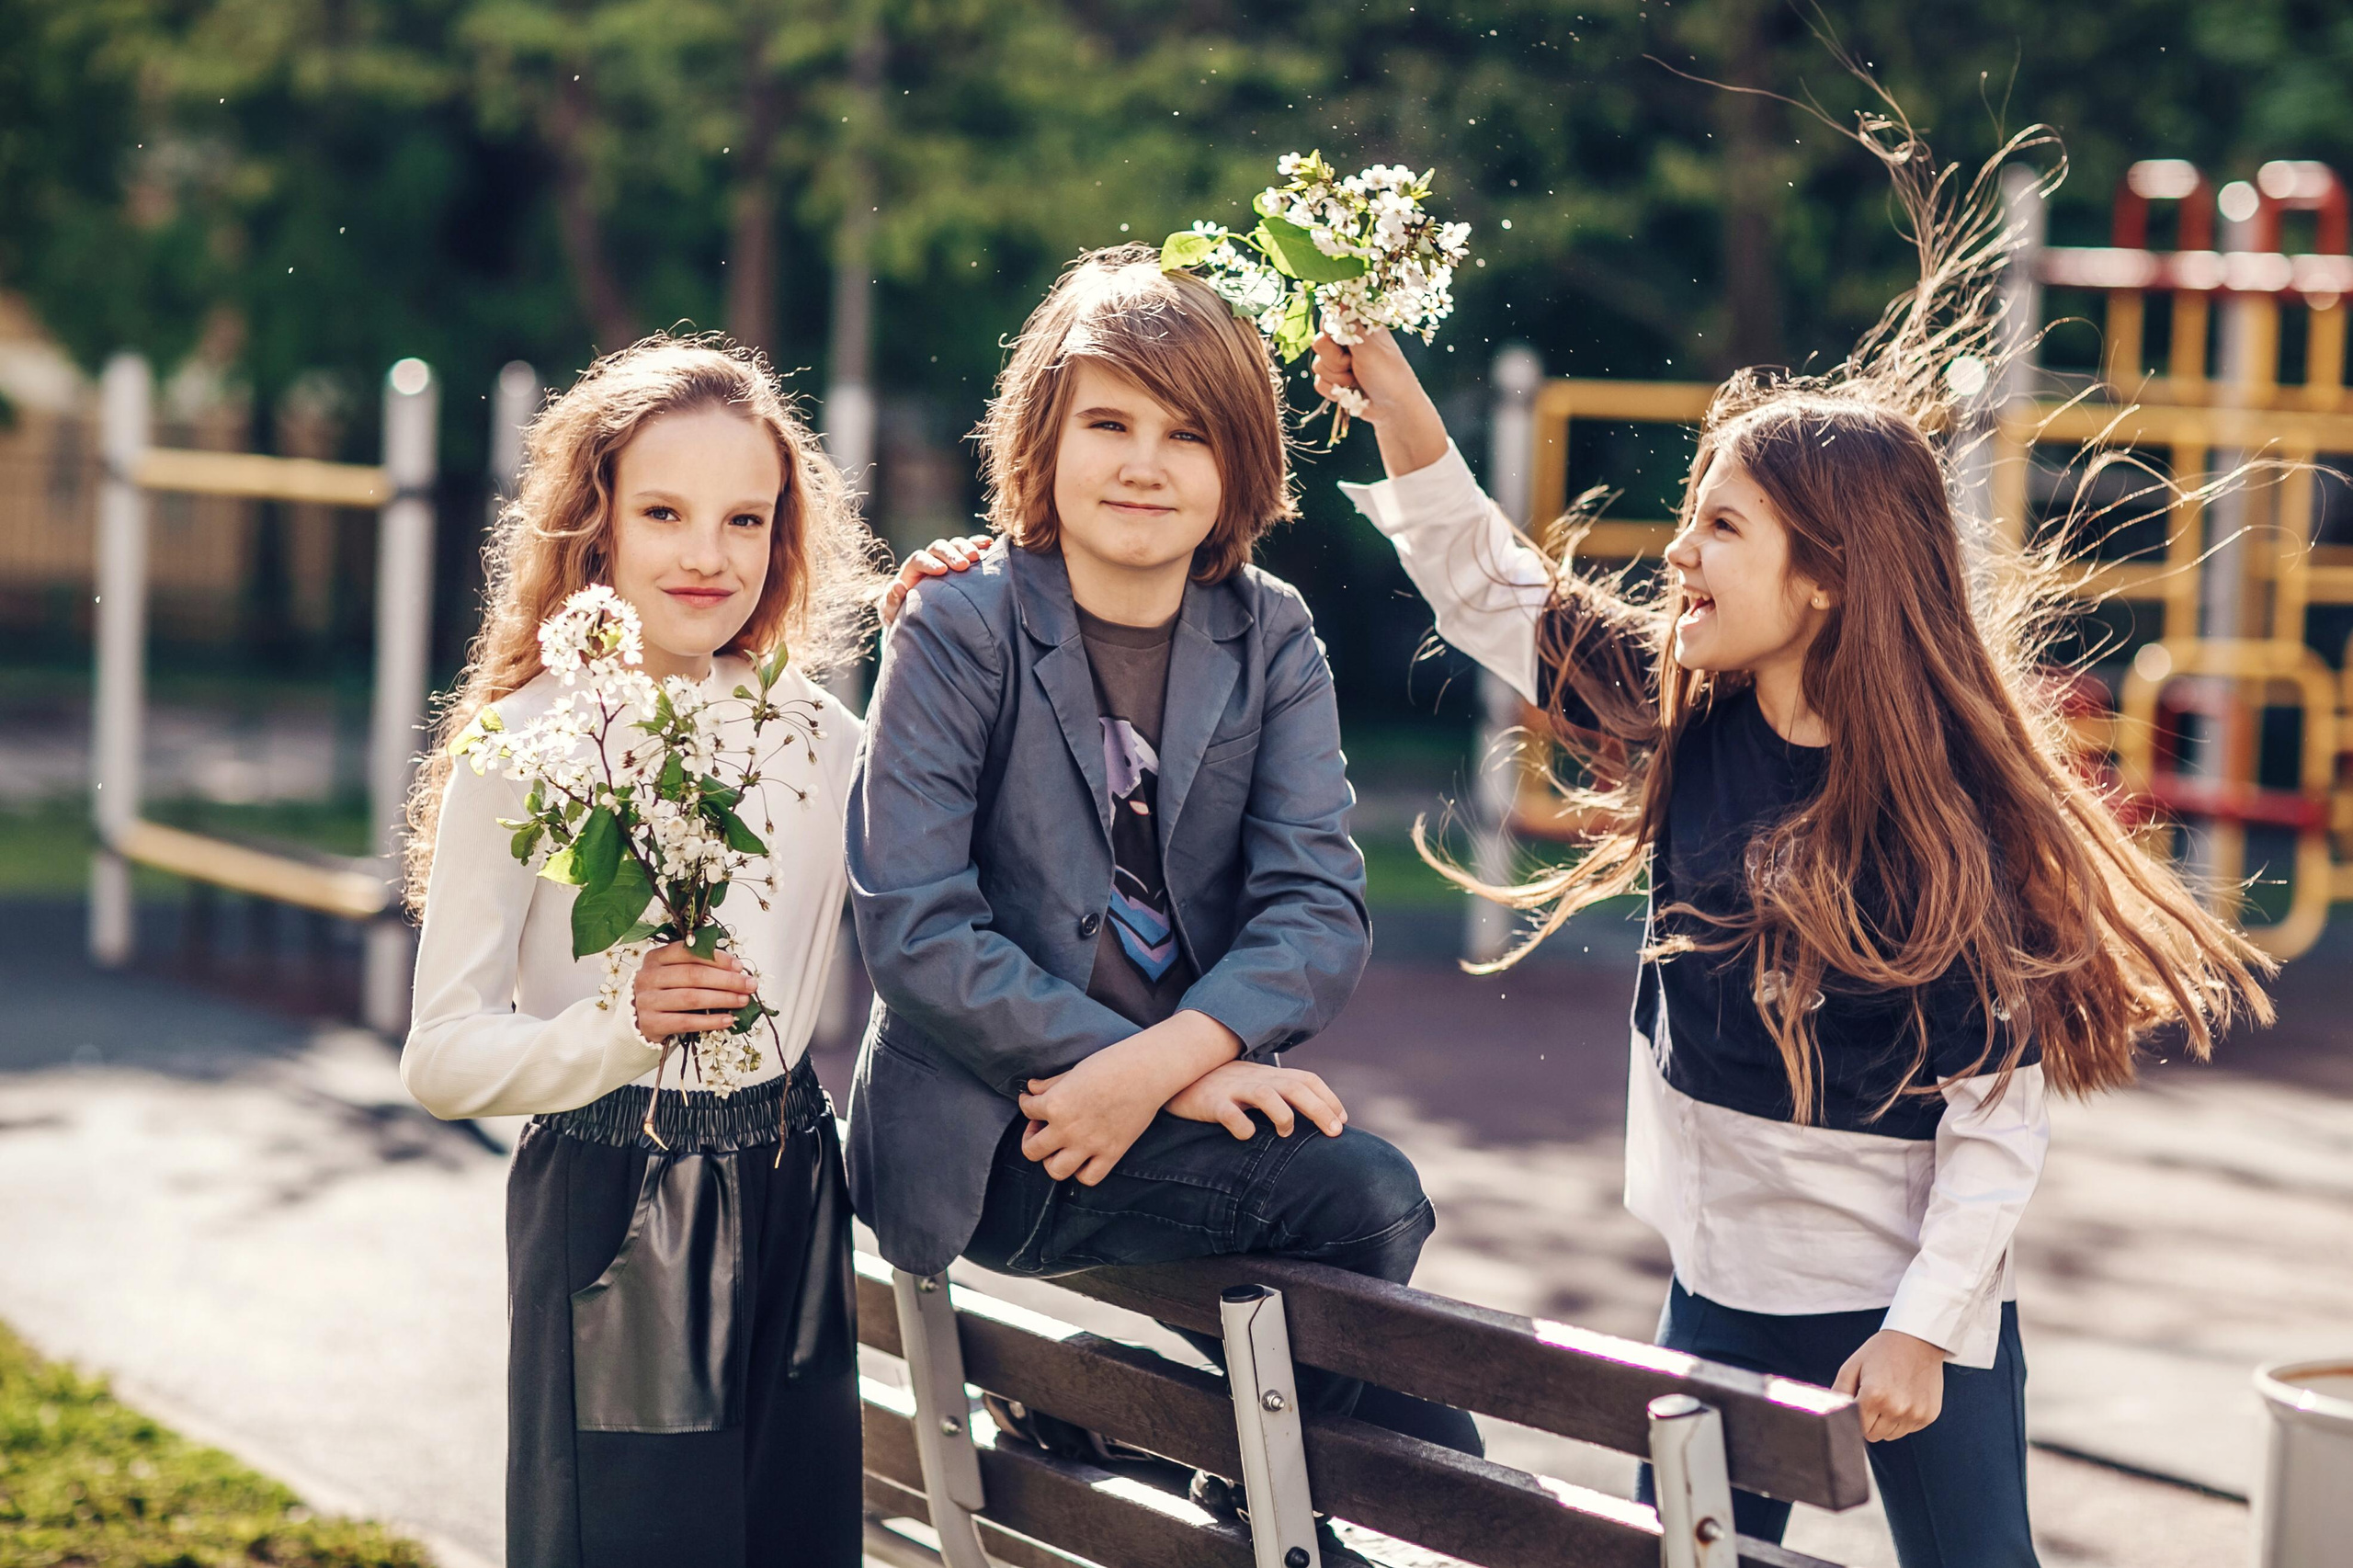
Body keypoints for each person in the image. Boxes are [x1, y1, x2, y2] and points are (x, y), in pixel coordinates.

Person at [1313, 127, 2272, 1566]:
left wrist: (1923, 1327)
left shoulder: (1950, 815)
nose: (1679, 557)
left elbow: (1997, 1120)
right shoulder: (1685, 713)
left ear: (1824, 580)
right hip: (1723, 1287)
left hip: (1910, 1304)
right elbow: (1495, 589)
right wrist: (1400, 408)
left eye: (1720, 526)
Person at [845, 246, 1482, 1540]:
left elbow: (1317, 909)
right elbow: (917, 927)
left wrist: (1170, 1063)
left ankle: (1205, 1473)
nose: (1145, 463)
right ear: (1045, 438)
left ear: (1241, 465)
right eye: (1110, 423)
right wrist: (1159, 1070)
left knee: (1357, 1213)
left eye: (1187, 433)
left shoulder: (1274, 634)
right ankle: (1264, 1493)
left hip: (1159, 1112)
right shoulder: (958, 624)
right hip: (1007, 1129)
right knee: (1366, 1205)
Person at [401, 335, 887, 1568]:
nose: (708, 553)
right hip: (619, 1198)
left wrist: (953, 625)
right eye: (665, 510)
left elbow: (935, 917)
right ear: (595, 521)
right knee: (631, 1543)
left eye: (747, 517)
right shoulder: (521, 744)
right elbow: (441, 1058)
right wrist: (617, 1026)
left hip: (792, 1179)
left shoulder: (820, 736)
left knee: (799, 1539)